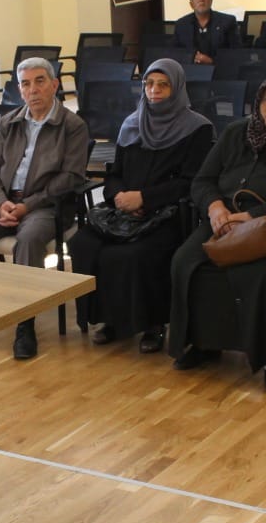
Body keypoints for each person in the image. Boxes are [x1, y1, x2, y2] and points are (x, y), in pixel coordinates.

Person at [168, 74, 266, 395]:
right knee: (186, 262)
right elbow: (203, 180)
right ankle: (204, 343)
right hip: (223, 222)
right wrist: (214, 208)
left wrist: (251, 216)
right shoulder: (234, 133)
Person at [0, 56, 89, 360]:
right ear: (19, 90)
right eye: (25, 83)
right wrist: (1, 203)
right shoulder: (9, 123)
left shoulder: (72, 125)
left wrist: (26, 206)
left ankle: (25, 324)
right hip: (4, 202)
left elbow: (70, 179)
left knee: (30, 239)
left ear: (54, 85)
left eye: (39, 81)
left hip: (45, 206)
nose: (32, 89)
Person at [70, 59, 214, 354]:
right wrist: (121, 196)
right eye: (149, 84)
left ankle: (153, 324)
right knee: (84, 243)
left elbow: (191, 181)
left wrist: (145, 199)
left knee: (135, 253)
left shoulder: (196, 128)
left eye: (163, 85)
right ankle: (109, 319)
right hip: (124, 211)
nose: (154, 90)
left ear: (177, 88)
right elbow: (115, 173)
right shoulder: (132, 123)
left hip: (170, 213)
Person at [172, 0, 242, 63]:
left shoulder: (228, 21)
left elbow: (236, 53)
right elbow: (176, 53)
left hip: (220, 70)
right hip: (190, 70)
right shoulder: (181, 25)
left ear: (211, 1)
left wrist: (211, 61)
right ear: (191, 5)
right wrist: (191, 58)